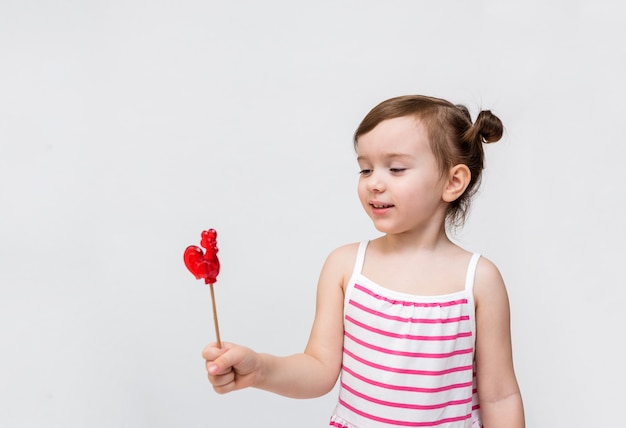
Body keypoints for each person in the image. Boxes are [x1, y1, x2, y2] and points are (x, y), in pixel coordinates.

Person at [202, 95, 525, 427]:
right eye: (365, 169)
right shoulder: (345, 267)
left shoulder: (479, 281)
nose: (374, 182)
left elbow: (499, 395)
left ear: (452, 181)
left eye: (396, 168)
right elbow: (318, 369)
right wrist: (261, 369)